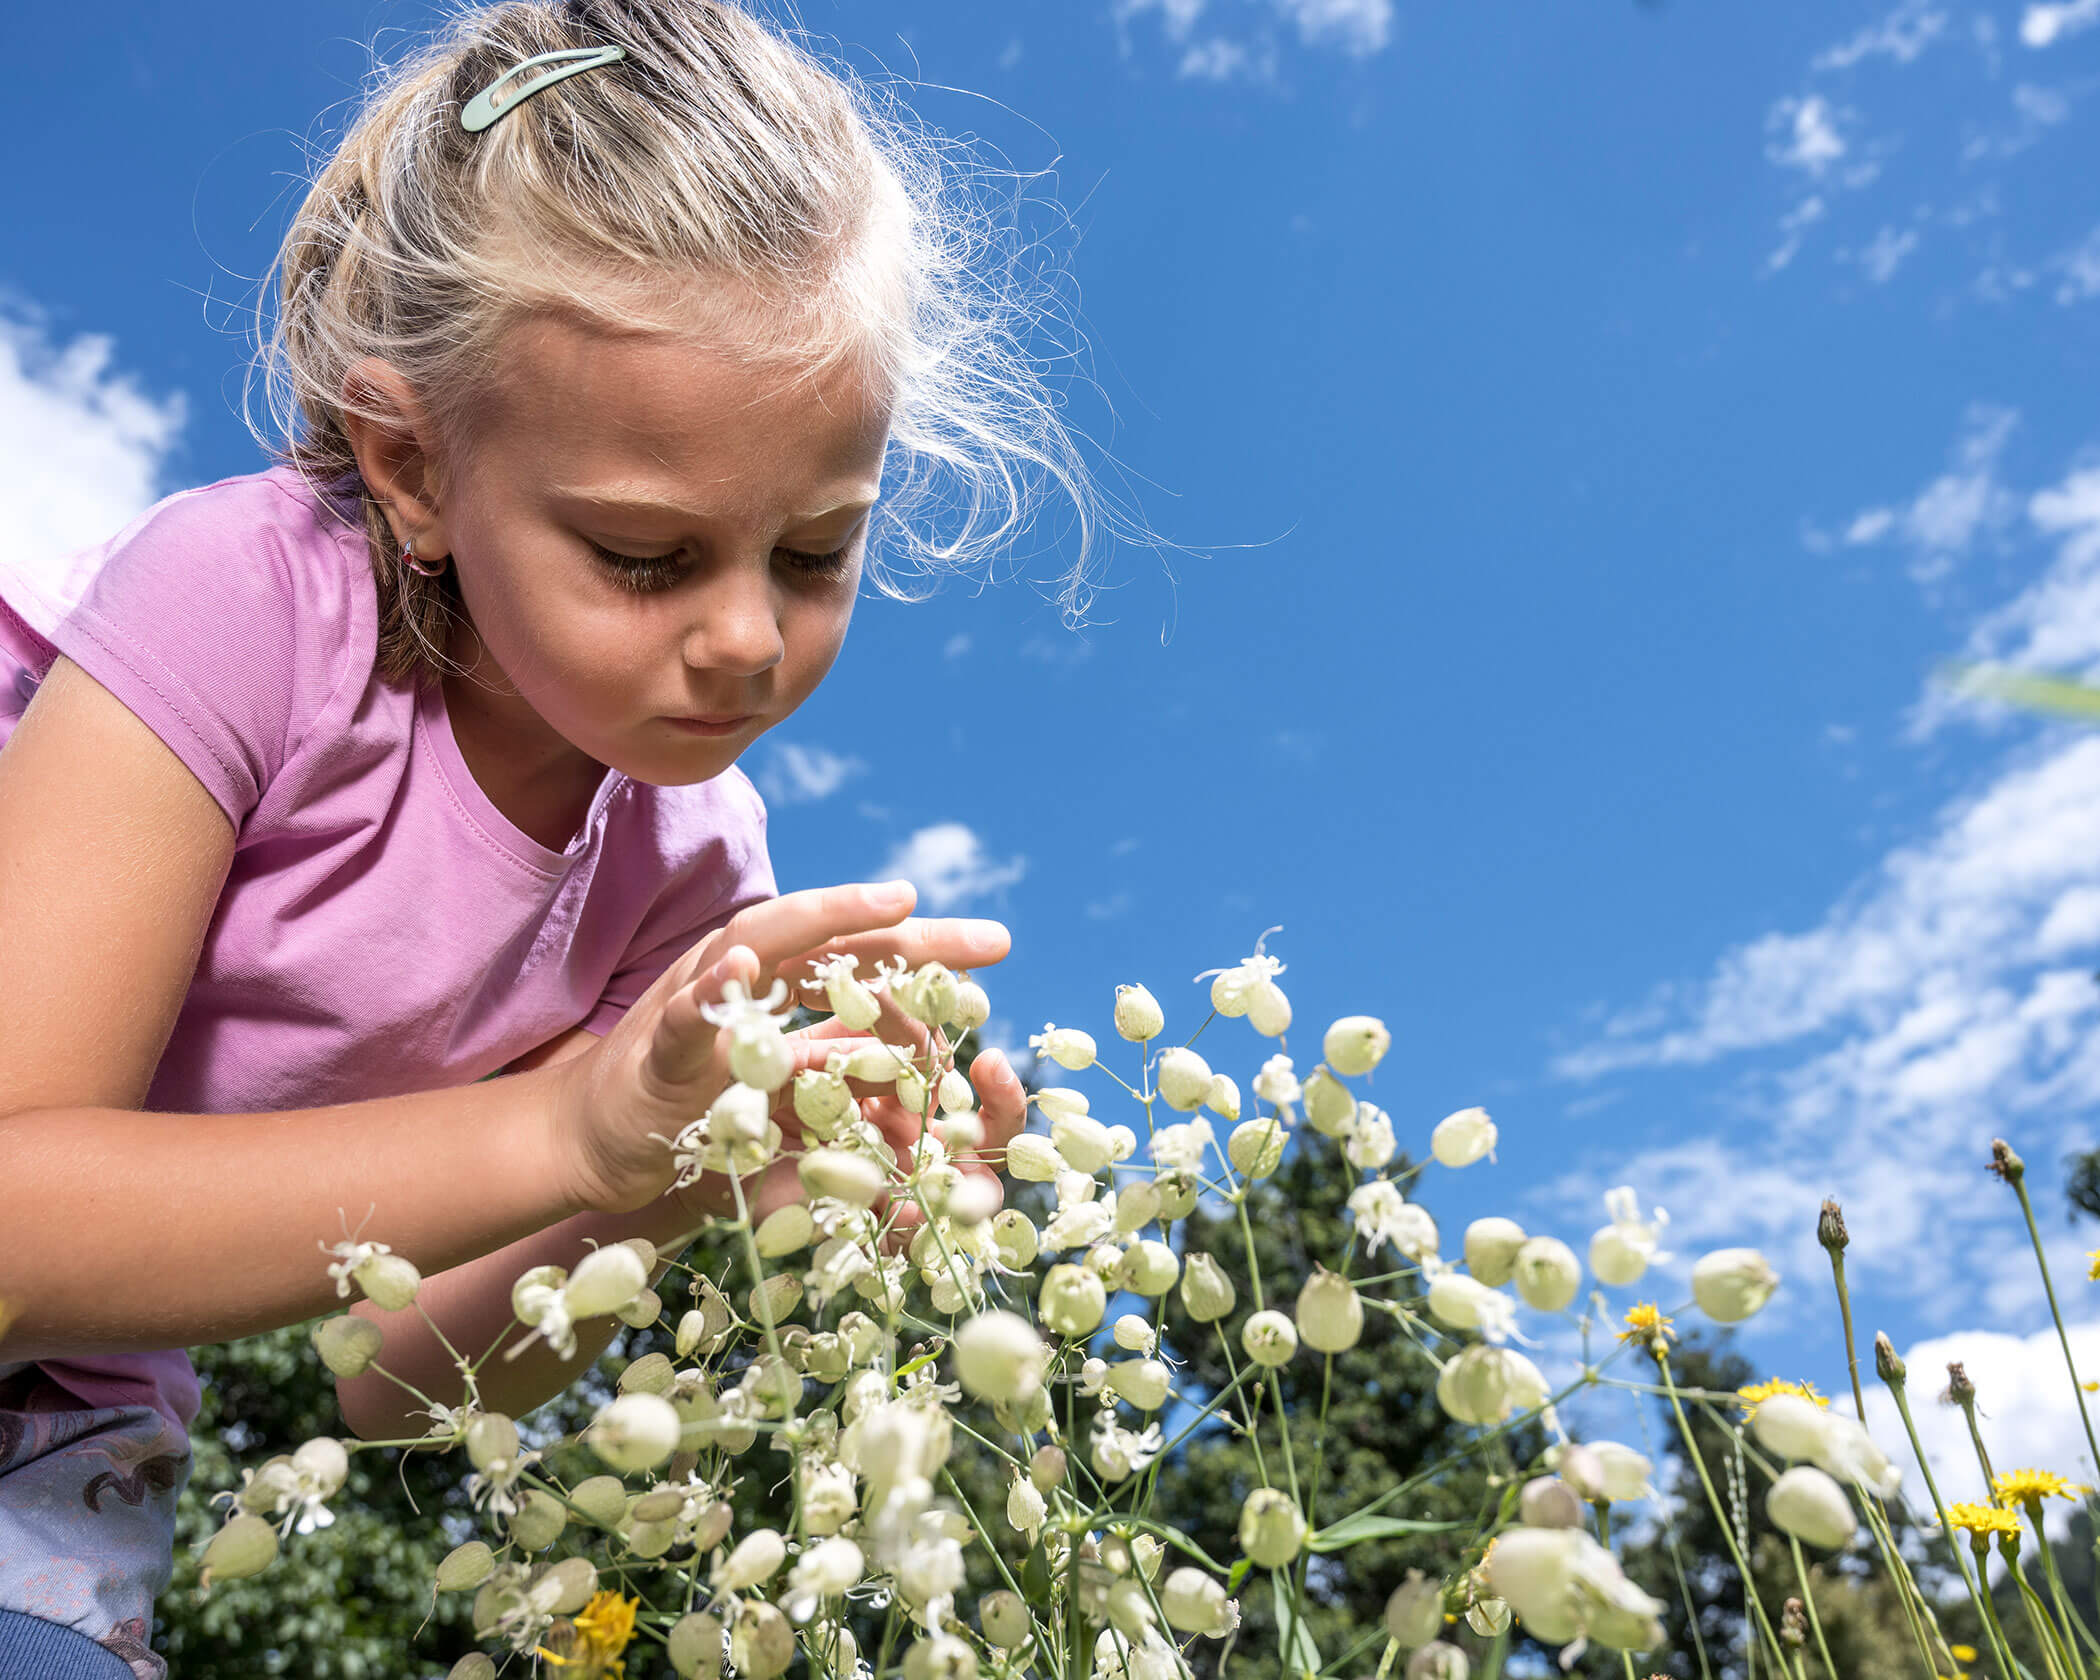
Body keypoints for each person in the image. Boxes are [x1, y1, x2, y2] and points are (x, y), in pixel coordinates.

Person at [0, 3, 1112, 1673]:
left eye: (815, 555)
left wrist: (698, 1180)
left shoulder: (689, 880)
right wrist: (572, 1131)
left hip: (65, 1441)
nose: (745, 637)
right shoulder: (248, 605)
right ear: (414, 467)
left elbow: (389, 1380)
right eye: (648, 556)